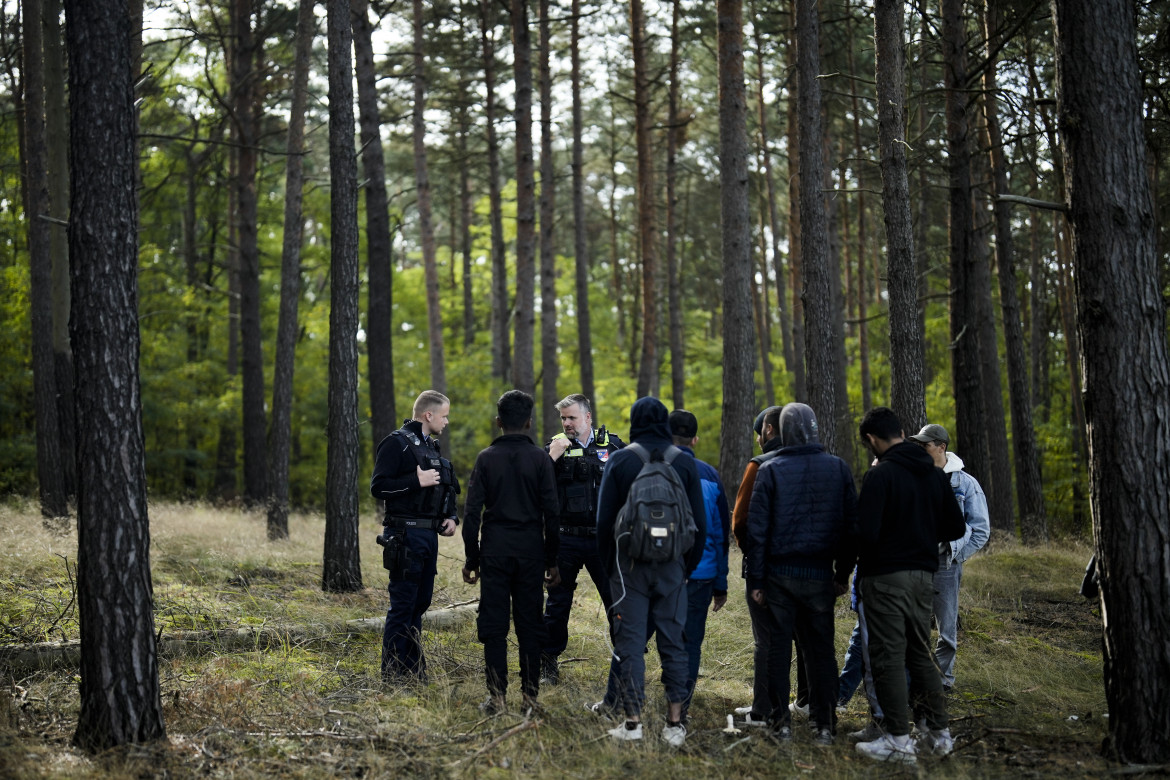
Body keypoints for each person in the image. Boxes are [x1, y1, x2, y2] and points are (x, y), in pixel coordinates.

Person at [853, 407, 966, 764]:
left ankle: (898, 741)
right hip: (924, 577)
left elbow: (865, 535)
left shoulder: (881, 476)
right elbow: (956, 529)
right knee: (920, 654)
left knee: (887, 655)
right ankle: (939, 734)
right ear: (902, 432)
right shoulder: (935, 475)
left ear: (872, 440)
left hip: (886, 578)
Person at [595, 397, 707, 746]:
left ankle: (633, 724)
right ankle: (675, 724)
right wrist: (684, 569)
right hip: (673, 569)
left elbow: (603, 523)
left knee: (630, 644)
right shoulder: (685, 463)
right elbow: (698, 526)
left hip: (629, 570)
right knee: (675, 643)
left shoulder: (620, 460)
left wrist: (611, 568)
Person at [744, 403, 856, 746]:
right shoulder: (838, 468)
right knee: (821, 653)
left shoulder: (771, 469)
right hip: (820, 576)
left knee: (778, 652)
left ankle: (782, 725)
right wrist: (842, 573)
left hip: (779, 577)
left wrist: (758, 581)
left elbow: (757, 532)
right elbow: (850, 527)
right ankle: (825, 725)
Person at [462, 390, 562, 714]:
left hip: (495, 552)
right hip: (531, 553)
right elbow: (553, 513)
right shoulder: (541, 460)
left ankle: (497, 698)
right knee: (530, 623)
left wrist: (472, 558)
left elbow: (472, 513)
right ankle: (530, 699)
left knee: (493, 624)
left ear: (498, 421)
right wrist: (552, 560)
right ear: (530, 422)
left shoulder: (486, 458)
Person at [370, 390, 460, 681]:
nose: (446, 421)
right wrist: (414, 480)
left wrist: (451, 518)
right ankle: (393, 673)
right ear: (428, 415)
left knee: (420, 604)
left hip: (428, 537)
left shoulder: (431, 446)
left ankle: (413, 669)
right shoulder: (396, 443)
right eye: (444, 416)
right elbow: (378, 486)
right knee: (403, 605)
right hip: (403, 534)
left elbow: (442, 491)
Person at [540, 394, 624, 686]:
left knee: (617, 601)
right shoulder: (554, 447)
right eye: (563, 418)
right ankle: (547, 662)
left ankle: (625, 660)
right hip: (566, 540)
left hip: (604, 540)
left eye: (572, 418)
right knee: (557, 603)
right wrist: (552, 455)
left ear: (588, 417)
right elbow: (536, 486)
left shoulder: (613, 446)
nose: (567, 424)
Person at [908, 423, 990, 691]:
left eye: (925, 445)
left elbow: (980, 530)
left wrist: (957, 556)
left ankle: (943, 682)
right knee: (912, 626)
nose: (920, 449)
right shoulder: (914, 478)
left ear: (941, 447)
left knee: (946, 631)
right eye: (918, 445)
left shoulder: (965, 483)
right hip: (915, 564)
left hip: (945, 565)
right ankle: (916, 681)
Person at [667, 409, 731, 722]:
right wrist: (721, 583)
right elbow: (720, 532)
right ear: (695, 439)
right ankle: (682, 705)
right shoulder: (709, 475)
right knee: (690, 642)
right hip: (701, 575)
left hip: (659, 571)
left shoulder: (652, 468)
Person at [730, 406, 781, 726]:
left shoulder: (760, 465)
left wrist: (752, 553)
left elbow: (740, 521)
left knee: (766, 640)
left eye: (759, 432)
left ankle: (763, 708)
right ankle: (810, 706)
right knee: (807, 642)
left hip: (765, 568)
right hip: (812, 569)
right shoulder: (822, 462)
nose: (758, 439)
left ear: (770, 431)